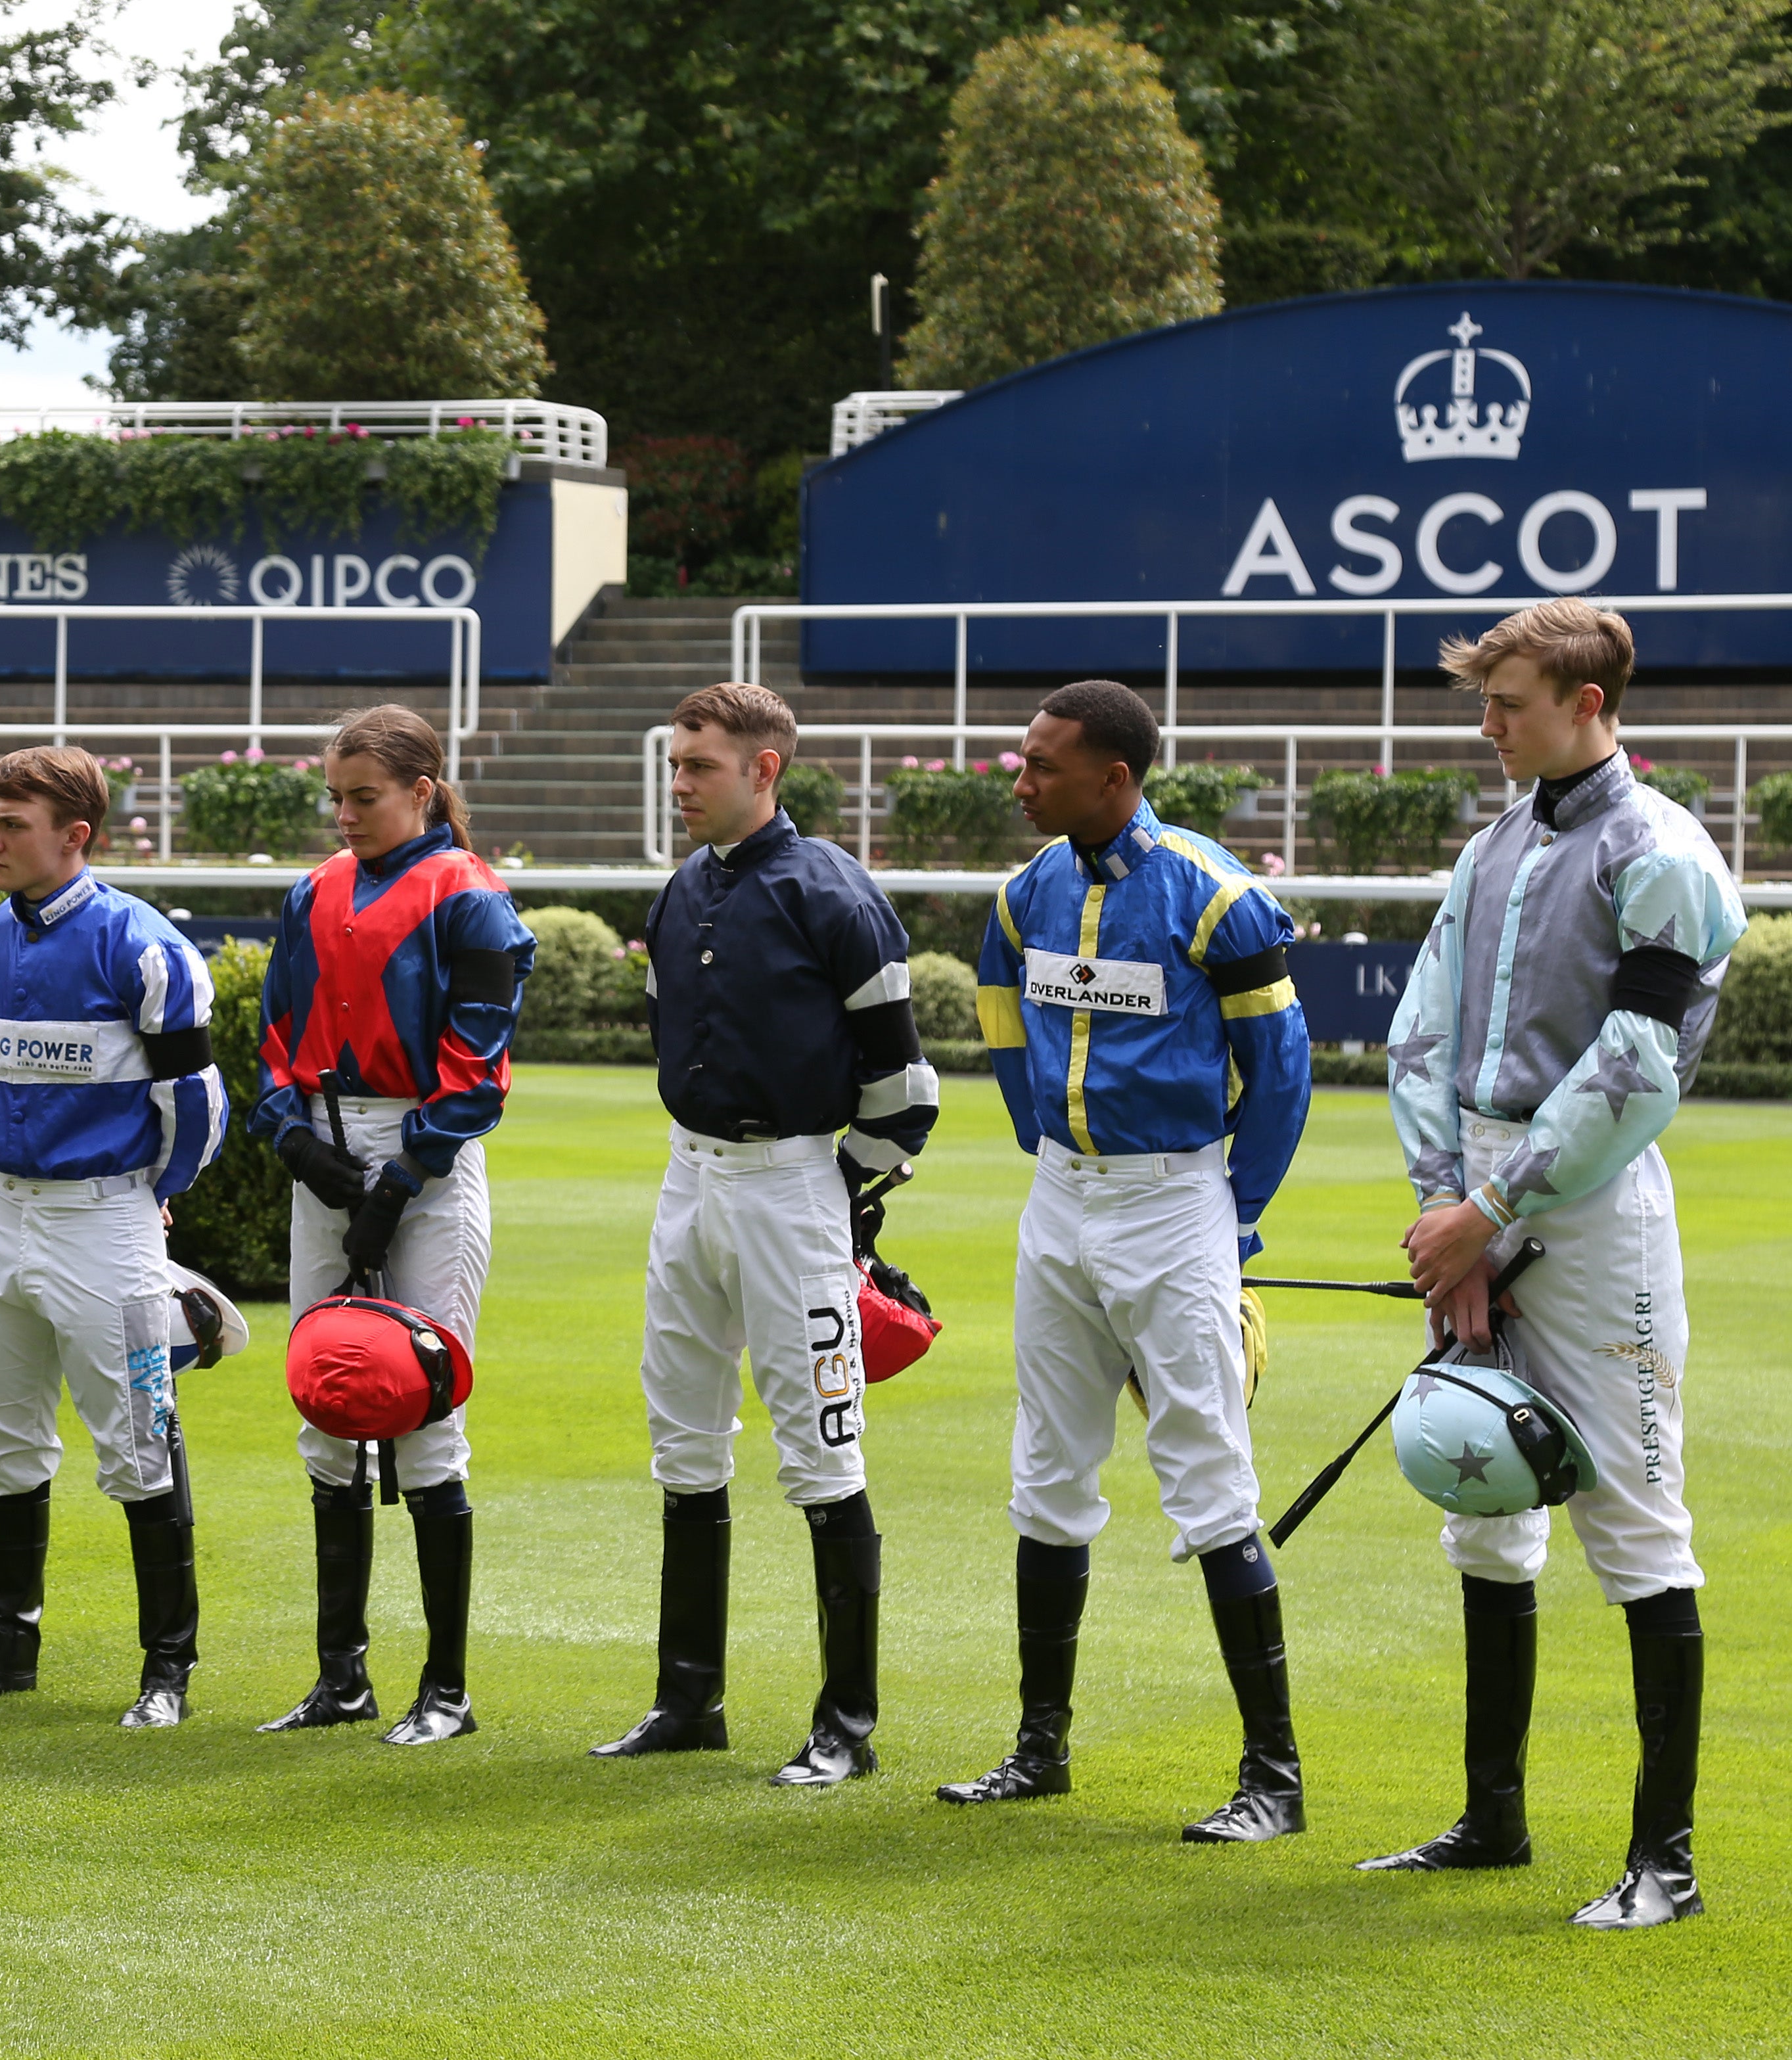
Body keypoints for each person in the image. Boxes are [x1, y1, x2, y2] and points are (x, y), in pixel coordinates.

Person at [1374, 601, 1741, 1929]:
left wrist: (1492, 1210)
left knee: (1635, 1521)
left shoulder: (1662, 850)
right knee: (1481, 1500)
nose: (1488, 726)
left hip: (1589, 1213)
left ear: (1589, 703)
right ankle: (1493, 1818)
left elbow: (1640, 1066)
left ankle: (1670, 1862)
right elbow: (1422, 1034)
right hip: (1481, 1198)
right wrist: (1445, 1215)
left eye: (1509, 703)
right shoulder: (1498, 840)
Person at [944, 679, 1313, 1839]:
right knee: (1046, 1473)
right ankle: (1038, 1750)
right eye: (1023, 759)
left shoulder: (1216, 896)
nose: (1022, 777)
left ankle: (1274, 1782)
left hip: (1175, 1204)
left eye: (1043, 765)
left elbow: (1282, 1071)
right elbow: (1002, 1022)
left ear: (1115, 778)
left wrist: (1232, 1216)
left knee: (1209, 1482)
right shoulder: (1024, 894)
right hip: (1060, 1201)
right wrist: (1041, 1139)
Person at [595, 683, 940, 1778]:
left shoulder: (833, 891)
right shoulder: (684, 886)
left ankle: (848, 1728)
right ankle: (688, 1700)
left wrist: (835, 1194)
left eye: (700, 766)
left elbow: (907, 1091)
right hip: (687, 1182)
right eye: (675, 764)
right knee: (684, 1443)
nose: (680, 783)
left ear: (766, 770)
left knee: (822, 1454)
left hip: (792, 1186)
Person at [248, 706, 532, 1747]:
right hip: (326, 1149)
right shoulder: (313, 889)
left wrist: (399, 1177)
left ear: (423, 789)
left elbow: (480, 1066)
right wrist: (292, 1139)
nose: (346, 813)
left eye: (364, 796)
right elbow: (276, 1028)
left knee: (422, 1412)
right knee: (327, 1405)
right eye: (337, 796)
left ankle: (446, 1691)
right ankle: (343, 1679)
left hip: (431, 1165)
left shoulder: (471, 897)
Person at [0, 746, 223, 1728]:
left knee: (141, 1444)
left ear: (75, 836)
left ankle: (166, 1673)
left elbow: (197, 1102)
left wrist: (155, 1194)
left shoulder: (142, 944)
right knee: (5, 1446)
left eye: (13, 824)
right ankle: (7, 1653)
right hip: (3, 1216)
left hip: (108, 1223)